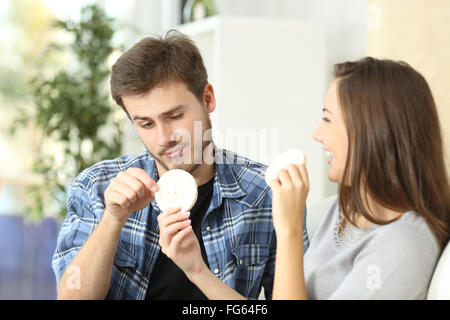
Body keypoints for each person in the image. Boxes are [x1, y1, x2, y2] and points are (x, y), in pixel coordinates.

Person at [162, 57, 450, 299]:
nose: (317, 134)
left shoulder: (404, 245)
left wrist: (288, 230)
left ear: (372, 130)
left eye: (327, 118)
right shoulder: (344, 209)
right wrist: (196, 269)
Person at [51, 30, 310, 300]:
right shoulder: (96, 186)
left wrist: (198, 270)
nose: (164, 139)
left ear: (207, 99)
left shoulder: (266, 193)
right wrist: (112, 219)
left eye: (175, 116)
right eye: (146, 124)